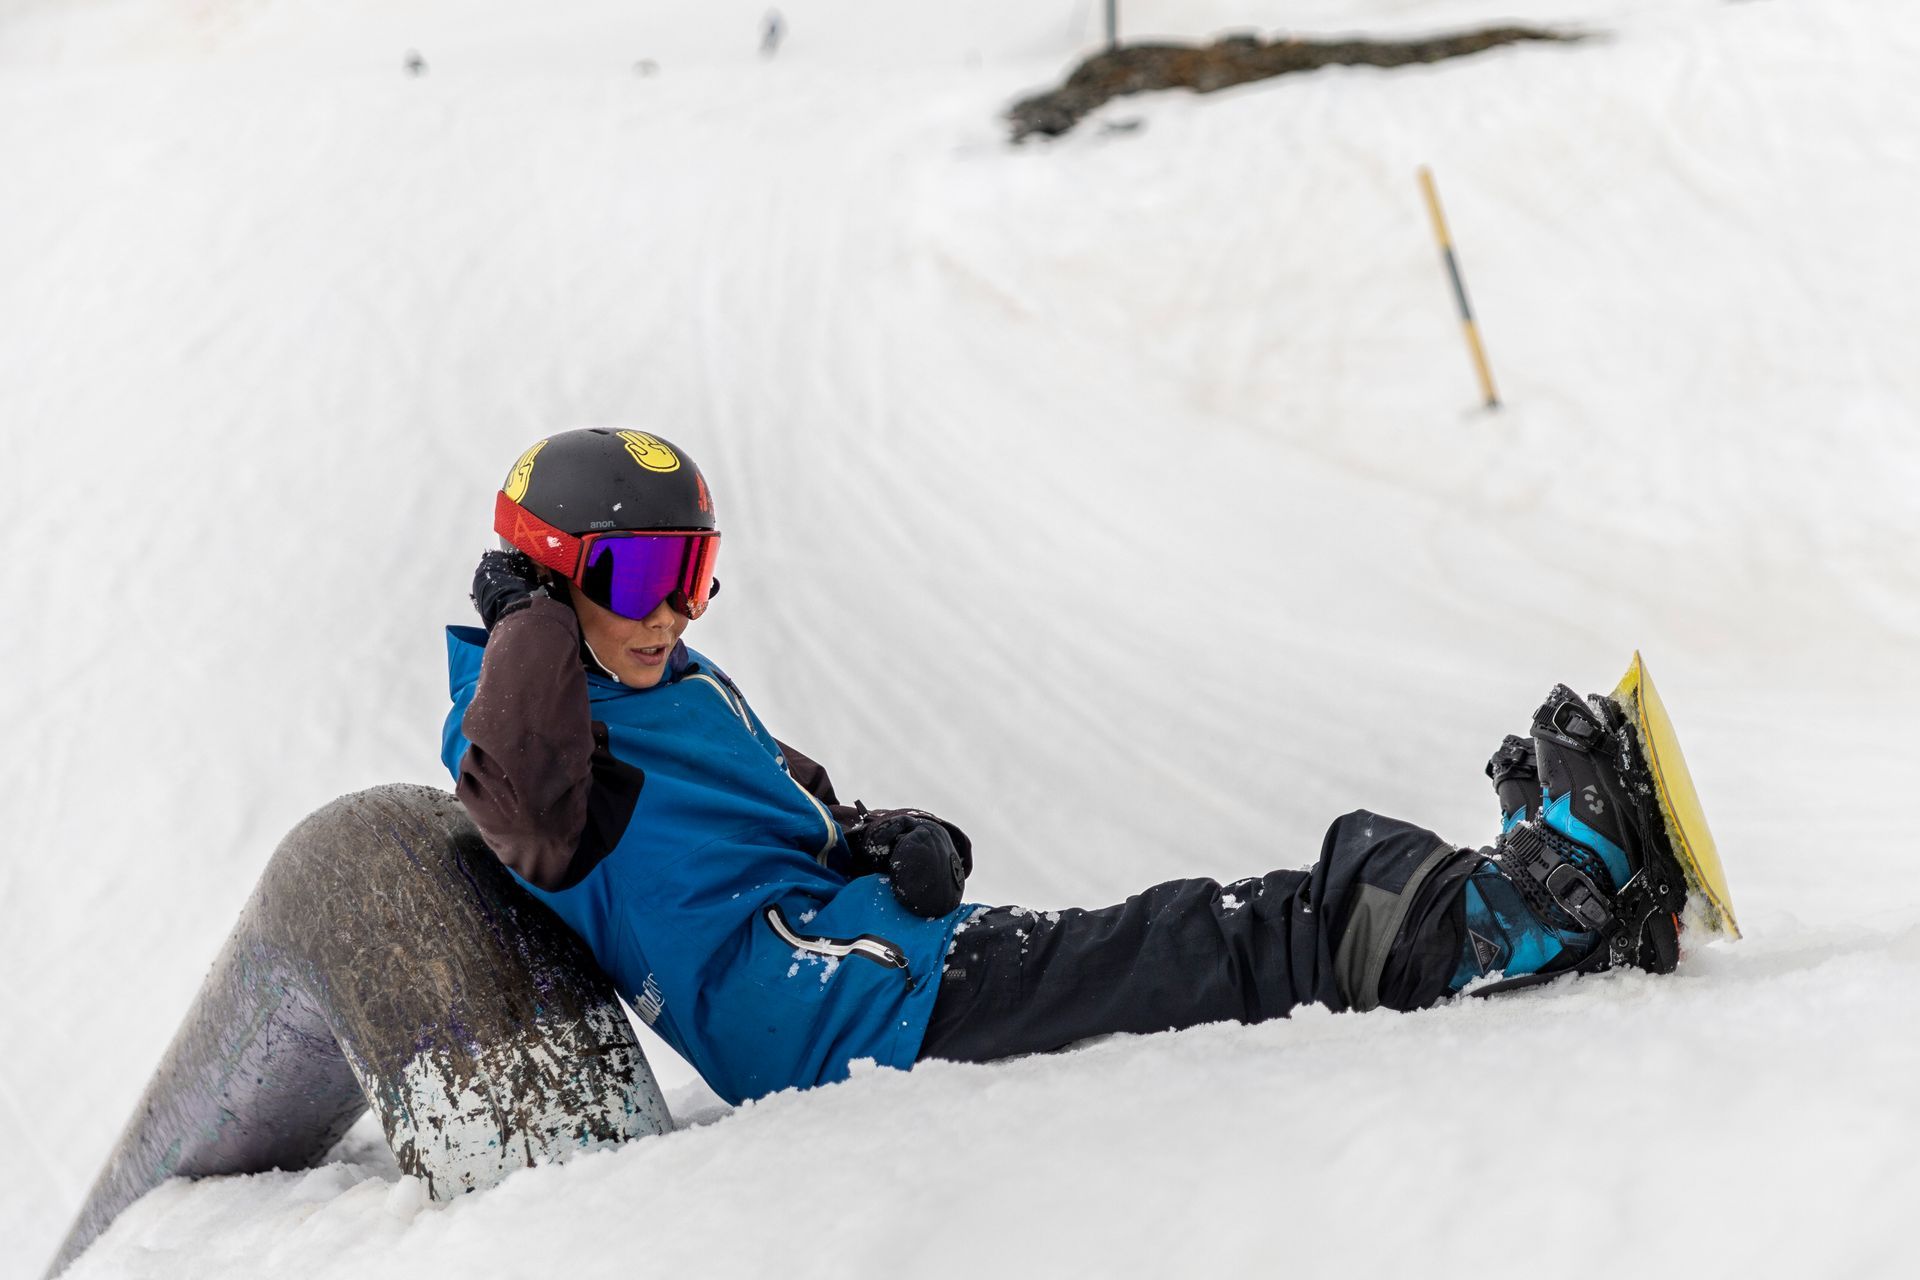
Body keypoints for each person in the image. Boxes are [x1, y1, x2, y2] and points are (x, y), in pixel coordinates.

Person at [443, 428, 1687, 1106]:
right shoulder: (523, 740)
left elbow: (792, 799)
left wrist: (879, 833)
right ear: (548, 576)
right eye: (638, 578)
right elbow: (544, 811)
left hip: (878, 966)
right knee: (1224, 935)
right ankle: (1510, 917)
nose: (670, 613)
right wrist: (528, 623)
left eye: (692, 573)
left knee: (1197, 930)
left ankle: (1490, 894)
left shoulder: (668, 685)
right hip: (840, 1020)